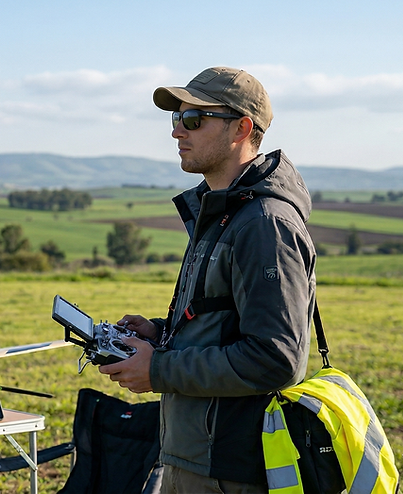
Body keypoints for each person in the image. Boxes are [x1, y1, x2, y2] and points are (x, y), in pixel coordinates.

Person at [99, 67, 316, 493]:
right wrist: (161, 335)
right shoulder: (221, 213)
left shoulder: (264, 225)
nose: (178, 131)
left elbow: (278, 359)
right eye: (176, 119)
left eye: (194, 120)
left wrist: (158, 368)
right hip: (195, 454)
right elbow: (223, 325)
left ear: (242, 128)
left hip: (230, 467)